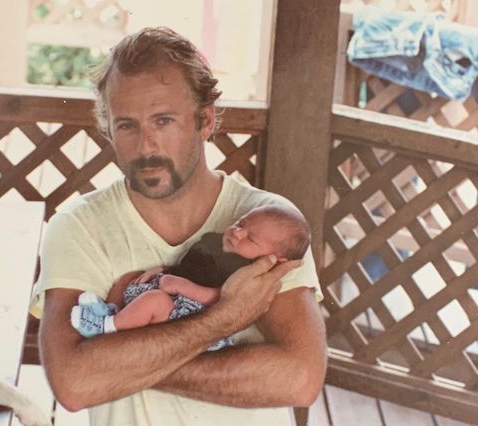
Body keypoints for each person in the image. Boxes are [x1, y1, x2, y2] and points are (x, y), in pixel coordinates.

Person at [32, 26, 327, 426]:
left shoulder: (269, 223)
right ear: (108, 129)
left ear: (205, 120)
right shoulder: (78, 228)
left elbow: (300, 378)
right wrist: (223, 319)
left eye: (164, 121)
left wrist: (123, 366)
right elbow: (73, 383)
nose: (146, 145)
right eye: (126, 126)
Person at [70, 205, 311, 349]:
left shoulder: (248, 271)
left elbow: (219, 298)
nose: (237, 233)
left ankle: (105, 328)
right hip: (172, 288)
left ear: (273, 259)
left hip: (189, 315)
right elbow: (189, 266)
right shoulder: (215, 243)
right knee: (130, 279)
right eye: (240, 224)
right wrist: (163, 270)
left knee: (156, 301)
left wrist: (180, 285)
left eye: (251, 239)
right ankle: (112, 311)